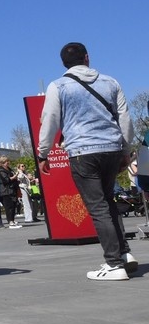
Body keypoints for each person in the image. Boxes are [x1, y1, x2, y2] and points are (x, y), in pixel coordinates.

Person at [38, 42, 136, 281]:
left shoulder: (58, 86)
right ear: (87, 58)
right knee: (108, 202)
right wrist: (125, 149)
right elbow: (125, 118)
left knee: (98, 207)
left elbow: (49, 119)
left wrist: (43, 152)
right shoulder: (111, 82)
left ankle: (113, 264)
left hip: (83, 150)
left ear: (63, 63)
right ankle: (123, 254)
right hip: (111, 148)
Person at [0, 158, 22, 229]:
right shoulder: (0, 170)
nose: (8, 163)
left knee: (13, 206)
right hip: (6, 191)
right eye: (6, 162)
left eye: (8, 161)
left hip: (12, 189)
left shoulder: (9, 169)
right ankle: (10, 222)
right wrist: (15, 176)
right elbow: (6, 180)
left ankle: (12, 220)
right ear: (2, 163)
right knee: (9, 207)